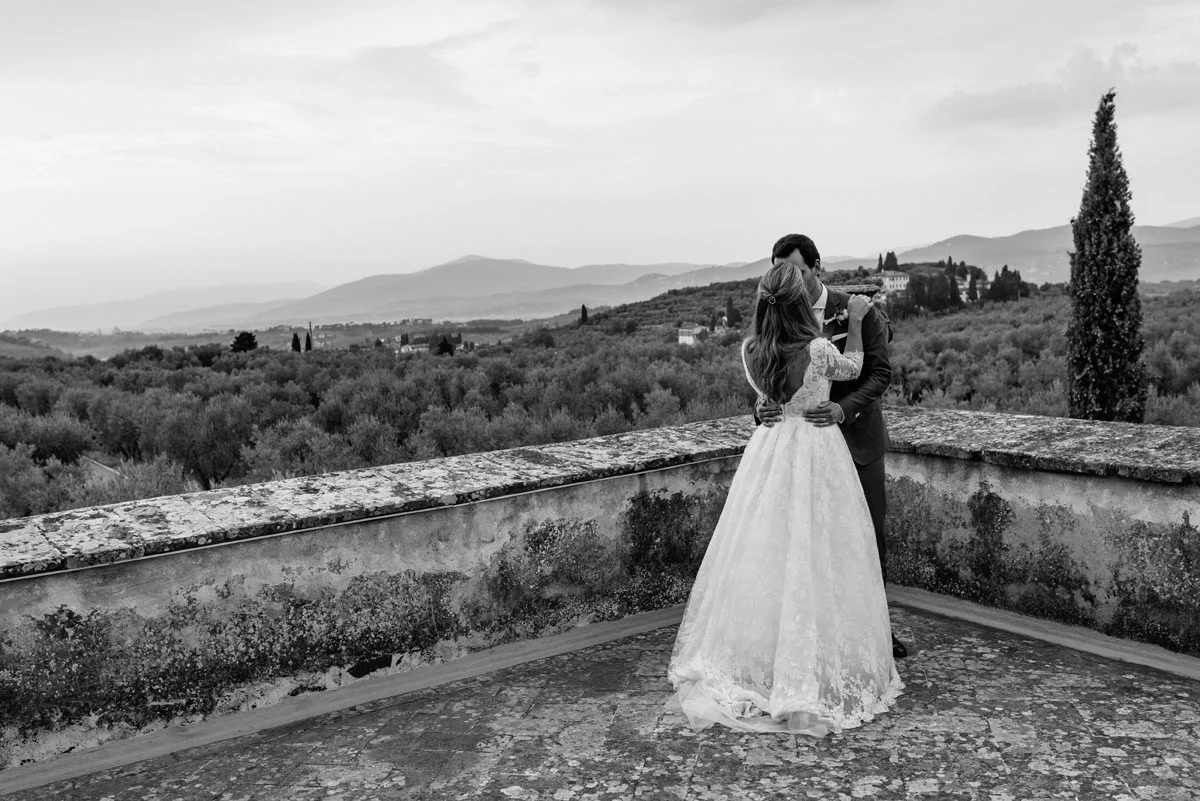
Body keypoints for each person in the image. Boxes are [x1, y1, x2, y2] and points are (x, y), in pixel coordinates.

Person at [665, 258, 903, 736]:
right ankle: (811, 659)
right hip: (816, 450)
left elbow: (766, 394)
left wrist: (766, 401)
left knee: (768, 548)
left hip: (771, 451)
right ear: (799, 301)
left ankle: (765, 656)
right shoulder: (816, 348)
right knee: (823, 547)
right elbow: (854, 366)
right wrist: (855, 322)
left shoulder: (750, 348)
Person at [757, 233, 908, 660]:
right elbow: (770, 378)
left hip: (856, 443)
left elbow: (879, 375)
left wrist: (843, 410)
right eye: (780, 270)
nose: (789, 278)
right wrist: (763, 408)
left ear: (818, 268)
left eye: (798, 271)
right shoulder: (778, 316)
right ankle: (813, 635)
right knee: (803, 542)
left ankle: (876, 633)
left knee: (865, 537)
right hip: (801, 455)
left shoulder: (855, 311)